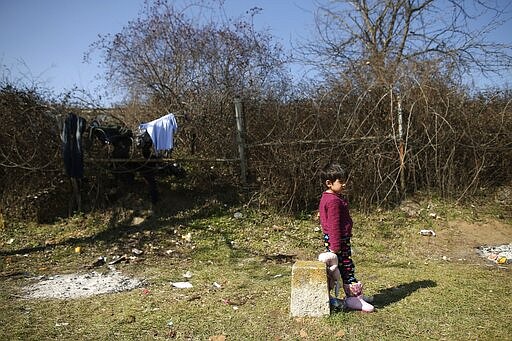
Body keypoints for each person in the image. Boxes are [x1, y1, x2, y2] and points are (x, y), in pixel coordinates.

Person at [318, 163, 374, 312]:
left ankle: (355, 296)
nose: (344, 184)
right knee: (347, 269)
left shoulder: (329, 198)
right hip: (338, 241)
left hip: (336, 240)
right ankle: (354, 299)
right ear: (329, 183)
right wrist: (335, 247)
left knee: (343, 267)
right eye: (340, 181)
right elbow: (334, 225)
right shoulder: (333, 201)